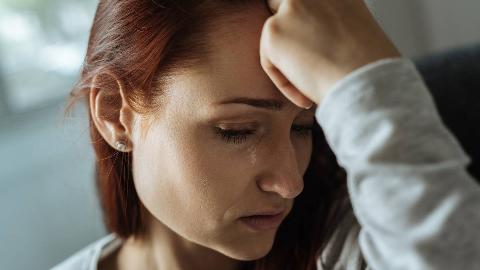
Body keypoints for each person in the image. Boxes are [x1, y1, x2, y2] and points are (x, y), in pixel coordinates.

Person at [53, 0, 480, 270]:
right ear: (114, 112)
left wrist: (364, 74)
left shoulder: (348, 247)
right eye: (236, 132)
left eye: (302, 128)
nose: (290, 182)